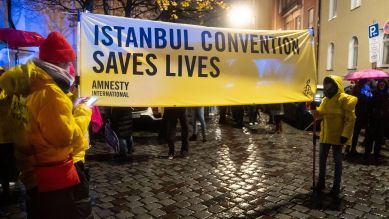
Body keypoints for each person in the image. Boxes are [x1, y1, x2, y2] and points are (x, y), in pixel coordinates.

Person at [0, 32, 92, 218]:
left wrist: (69, 108)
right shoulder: (50, 92)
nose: (70, 68)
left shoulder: (25, 85)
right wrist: (83, 112)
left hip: (32, 171)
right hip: (55, 176)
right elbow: (64, 137)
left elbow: (37, 123)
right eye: (68, 63)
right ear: (58, 63)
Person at [311, 75, 357, 196]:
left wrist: (345, 134)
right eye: (326, 84)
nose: (327, 87)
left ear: (336, 85)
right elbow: (319, 116)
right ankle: (321, 183)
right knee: (322, 161)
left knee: (337, 163)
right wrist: (313, 109)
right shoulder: (325, 100)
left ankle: (336, 187)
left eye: (330, 84)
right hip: (325, 136)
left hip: (338, 137)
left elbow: (351, 119)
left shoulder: (344, 99)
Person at [0, 67, 18, 205]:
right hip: (5, 137)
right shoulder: (6, 93)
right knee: (6, 167)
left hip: (7, 136)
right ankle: (6, 193)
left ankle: (6, 190)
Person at [364, 80, 389, 159]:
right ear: (378, 85)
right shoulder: (373, 93)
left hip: (382, 119)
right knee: (370, 137)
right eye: (380, 84)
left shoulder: (387, 95)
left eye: (383, 84)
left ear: (385, 86)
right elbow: (368, 106)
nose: (382, 85)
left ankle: (376, 153)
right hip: (373, 118)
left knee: (379, 137)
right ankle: (367, 153)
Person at [349, 79, 372, 155]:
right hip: (357, 114)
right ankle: (351, 148)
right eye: (367, 83)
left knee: (356, 132)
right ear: (363, 83)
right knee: (354, 132)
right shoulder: (357, 91)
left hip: (362, 115)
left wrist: (368, 94)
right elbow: (359, 101)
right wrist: (367, 95)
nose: (368, 85)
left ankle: (351, 148)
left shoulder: (363, 91)